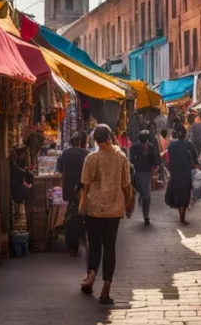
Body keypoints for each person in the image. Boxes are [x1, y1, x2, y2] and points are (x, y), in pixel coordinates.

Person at [79, 125, 132, 306]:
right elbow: (126, 185)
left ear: (95, 139)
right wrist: (129, 204)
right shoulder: (121, 157)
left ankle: (91, 275)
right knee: (110, 246)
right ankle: (106, 287)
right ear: (110, 137)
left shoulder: (91, 158)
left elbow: (85, 185)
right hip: (114, 209)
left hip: (94, 208)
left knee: (94, 244)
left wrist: (80, 205)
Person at [164, 126, 200, 225]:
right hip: (186, 174)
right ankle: (182, 218)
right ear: (185, 135)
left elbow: (169, 158)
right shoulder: (189, 144)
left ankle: (181, 216)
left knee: (178, 194)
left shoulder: (171, 145)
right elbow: (196, 160)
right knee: (185, 195)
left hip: (175, 174)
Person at [128, 130, 161, 225]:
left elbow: (131, 159)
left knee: (144, 192)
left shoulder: (135, 146)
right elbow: (154, 160)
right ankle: (145, 215)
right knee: (146, 193)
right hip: (144, 172)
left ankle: (144, 214)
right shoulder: (149, 146)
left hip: (142, 172)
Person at [57, 132, 89, 204]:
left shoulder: (65, 152)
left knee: (71, 205)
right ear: (80, 142)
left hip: (68, 186)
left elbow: (59, 168)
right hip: (81, 186)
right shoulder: (86, 153)